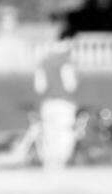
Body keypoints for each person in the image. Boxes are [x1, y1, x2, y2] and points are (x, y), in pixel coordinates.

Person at [34, 38, 79, 170]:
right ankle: (61, 161)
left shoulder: (44, 62)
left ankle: (49, 162)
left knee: (49, 132)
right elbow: (70, 85)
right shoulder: (66, 62)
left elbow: (39, 87)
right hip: (64, 102)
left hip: (47, 103)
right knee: (64, 132)